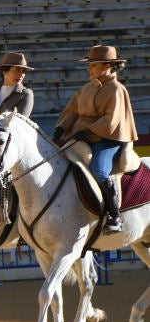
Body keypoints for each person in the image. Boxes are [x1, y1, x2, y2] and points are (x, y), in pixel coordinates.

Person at [54, 44, 138, 233]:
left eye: (93, 65)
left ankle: (114, 216)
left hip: (107, 138)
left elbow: (112, 120)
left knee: (100, 172)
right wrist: (62, 127)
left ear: (108, 65)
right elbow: (72, 110)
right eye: (90, 65)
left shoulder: (116, 89)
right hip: (82, 135)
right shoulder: (86, 88)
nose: (89, 68)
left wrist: (89, 130)